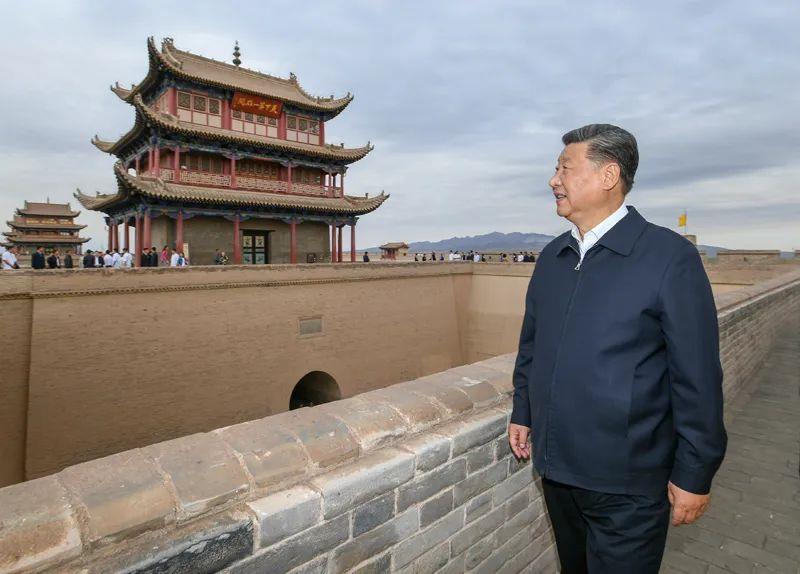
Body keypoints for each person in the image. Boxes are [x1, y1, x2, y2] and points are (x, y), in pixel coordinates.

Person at [508, 124, 726, 573]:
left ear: (608, 176)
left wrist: (694, 472)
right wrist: (523, 411)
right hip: (556, 470)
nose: (553, 180)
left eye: (564, 168)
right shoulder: (553, 258)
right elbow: (532, 346)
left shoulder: (669, 258)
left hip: (629, 482)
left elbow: (697, 377)